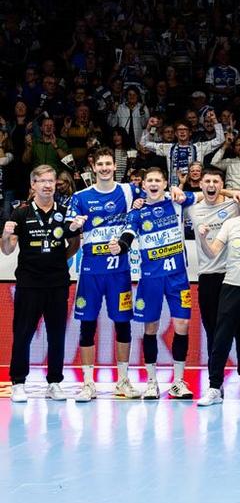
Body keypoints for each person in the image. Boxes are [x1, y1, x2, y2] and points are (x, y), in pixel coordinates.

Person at [112, 167, 198, 399]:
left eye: (157, 180)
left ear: (164, 183)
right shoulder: (137, 212)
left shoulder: (176, 201)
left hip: (178, 277)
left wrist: (179, 189)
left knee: (182, 325)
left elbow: (203, 194)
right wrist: (120, 247)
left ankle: (178, 382)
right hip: (150, 279)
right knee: (150, 329)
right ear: (143, 185)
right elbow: (128, 235)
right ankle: (152, 382)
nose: (153, 183)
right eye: (149, 180)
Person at [187, 165, 240, 387]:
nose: (211, 185)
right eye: (207, 182)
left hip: (233, 276)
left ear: (223, 185)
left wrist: (230, 190)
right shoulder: (192, 208)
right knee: (214, 333)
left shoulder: (234, 204)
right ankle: (215, 385)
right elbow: (172, 196)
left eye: (216, 182)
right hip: (208, 276)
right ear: (200, 184)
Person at [67, 148, 142, 401]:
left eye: (108, 163)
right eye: (100, 164)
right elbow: (67, 226)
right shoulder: (80, 196)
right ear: (93, 166)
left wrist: (126, 237)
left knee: (123, 325)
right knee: (87, 325)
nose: (105, 168)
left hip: (119, 271)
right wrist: (74, 226)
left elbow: (154, 196)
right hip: (91, 272)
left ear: (114, 166)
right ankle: (88, 383)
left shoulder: (128, 191)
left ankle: (123, 380)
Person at [2, 165, 77, 402]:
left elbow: (74, 244)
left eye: (51, 181)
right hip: (29, 284)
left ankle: (54, 382)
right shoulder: (21, 213)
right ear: (33, 185)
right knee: (22, 333)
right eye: (42, 181)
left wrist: (58, 259)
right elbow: (7, 250)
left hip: (57, 283)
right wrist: (5, 235)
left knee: (57, 335)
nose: (47, 185)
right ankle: (18, 382)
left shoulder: (64, 212)